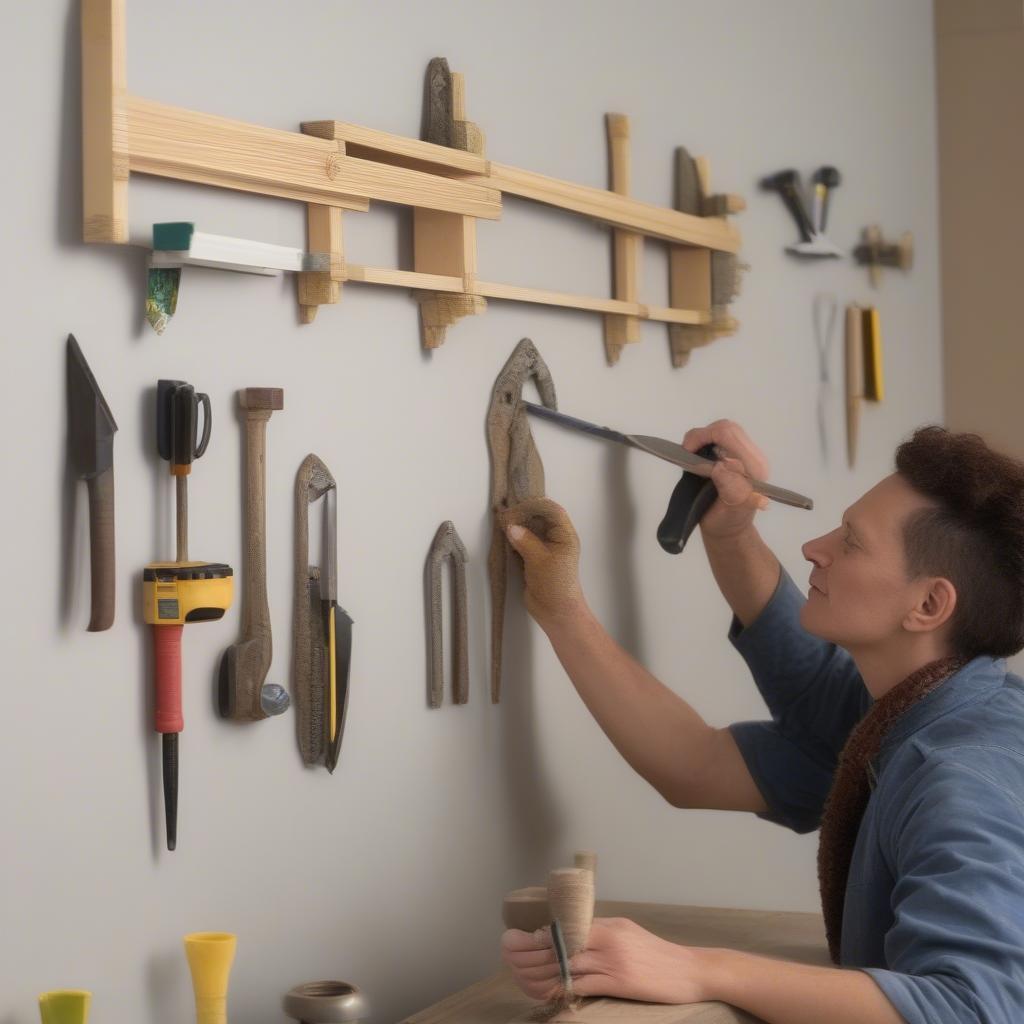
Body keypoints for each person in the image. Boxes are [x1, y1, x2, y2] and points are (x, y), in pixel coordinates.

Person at [499, 421, 1024, 1024]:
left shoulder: (960, 781)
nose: (813, 547)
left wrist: (701, 968)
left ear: (928, 604)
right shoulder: (914, 714)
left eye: (850, 542)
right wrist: (563, 605)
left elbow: (974, 1010)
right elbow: (694, 767)